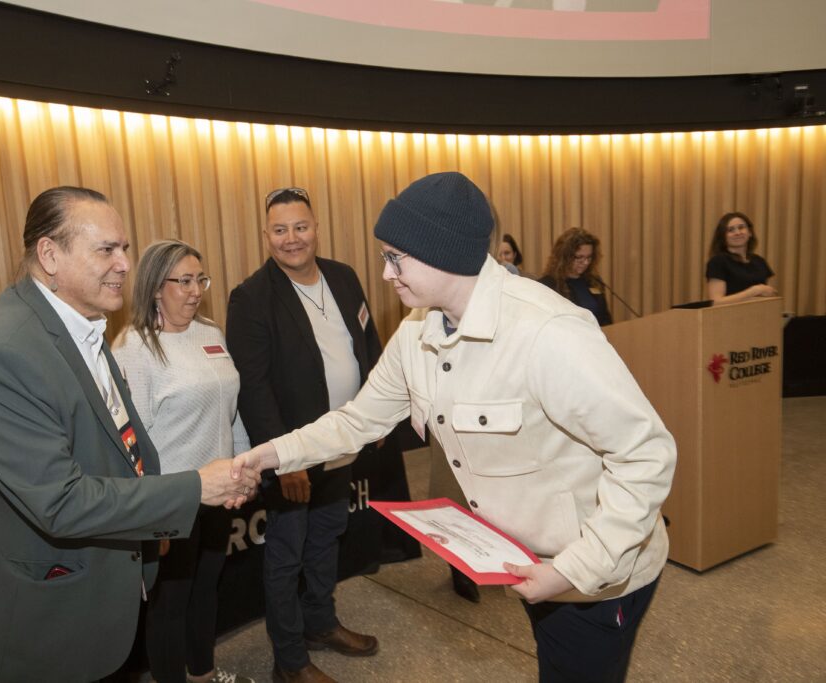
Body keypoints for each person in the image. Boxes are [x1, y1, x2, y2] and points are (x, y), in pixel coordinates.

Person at [236, 173, 676, 683]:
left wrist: (576, 568)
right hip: (533, 562)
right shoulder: (417, 329)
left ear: (442, 253)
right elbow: (357, 420)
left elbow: (647, 454)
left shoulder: (547, 332)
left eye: (394, 257)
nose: (385, 275)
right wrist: (264, 456)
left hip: (596, 576)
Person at [0, 187, 258, 683]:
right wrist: (193, 489)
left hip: (100, 577)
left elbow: (121, 441)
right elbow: (58, 500)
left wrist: (154, 524)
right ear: (50, 254)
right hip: (46, 605)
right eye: (106, 250)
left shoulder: (82, 325)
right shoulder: (3, 353)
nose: (125, 264)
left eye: (124, 248)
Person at [226, 187, 382, 683]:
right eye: (280, 230)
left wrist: (377, 416)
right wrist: (286, 461)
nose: (291, 239)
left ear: (316, 227)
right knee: (287, 554)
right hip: (294, 453)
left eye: (300, 227)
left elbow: (369, 346)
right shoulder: (251, 297)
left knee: (326, 540)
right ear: (266, 235)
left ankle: (320, 623)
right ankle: (289, 661)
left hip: (343, 445)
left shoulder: (343, 277)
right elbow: (253, 387)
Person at [112, 240, 254, 683]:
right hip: (173, 500)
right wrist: (152, 514)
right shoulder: (134, 347)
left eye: (200, 279)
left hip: (218, 492)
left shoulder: (210, 333)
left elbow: (228, 408)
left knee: (206, 589)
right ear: (156, 288)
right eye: (185, 281)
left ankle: (204, 675)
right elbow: (131, 443)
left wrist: (243, 469)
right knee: (170, 604)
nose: (196, 291)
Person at [539, 227, 612, 326]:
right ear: (564, 257)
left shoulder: (594, 281)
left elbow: (605, 318)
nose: (585, 263)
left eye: (589, 257)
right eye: (579, 257)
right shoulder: (547, 285)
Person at [705, 211, 777, 305]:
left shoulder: (759, 261)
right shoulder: (718, 262)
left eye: (741, 227)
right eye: (730, 230)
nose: (737, 233)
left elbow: (769, 293)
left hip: (759, 315)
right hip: (729, 317)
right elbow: (716, 302)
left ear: (750, 232)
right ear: (723, 236)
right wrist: (754, 291)